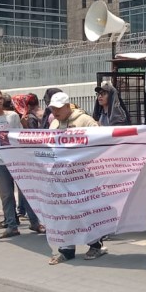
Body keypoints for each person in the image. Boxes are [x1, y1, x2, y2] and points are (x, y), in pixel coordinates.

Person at [0, 88, 46, 240]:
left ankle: (35, 222)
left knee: (26, 191)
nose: (0, 101)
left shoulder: (13, 116)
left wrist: (24, 124)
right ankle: (11, 226)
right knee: (7, 195)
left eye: (1, 98)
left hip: (16, 160)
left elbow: (21, 136)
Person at [46, 92, 103, 264]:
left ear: (67, 106)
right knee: (64, 213)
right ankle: (66, 250)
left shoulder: (84, 121)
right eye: (52, 108)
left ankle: (95, 244)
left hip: (82, 176)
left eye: (58, 108)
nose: (54, 112)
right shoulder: (54, 124)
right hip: (61, 178)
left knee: (85, 211)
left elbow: (99, 142)